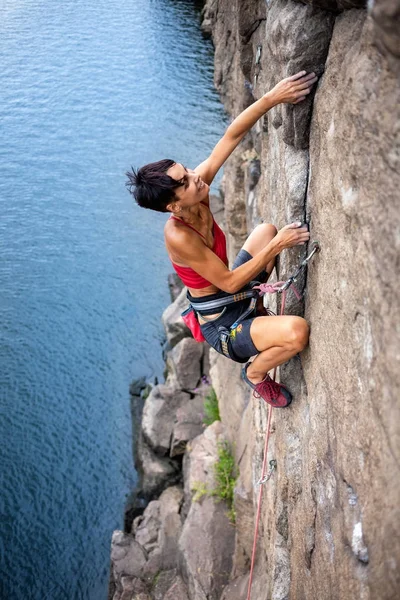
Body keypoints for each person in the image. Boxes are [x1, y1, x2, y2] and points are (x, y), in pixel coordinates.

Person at [126, 71, 318, 408]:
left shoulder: (195, 192)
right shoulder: (178, 236)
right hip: (225, 324)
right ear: (173, 205)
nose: (196, 177)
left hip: (234, 294)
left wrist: (272, 97)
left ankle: (258, 310)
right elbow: (229, 282)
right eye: (185, 180)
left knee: (266, 231)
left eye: (186, 171)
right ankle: (255, 375)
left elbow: (231, 137)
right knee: (298, 332)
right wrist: (278, 248)